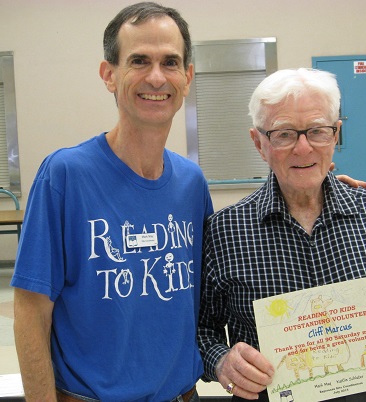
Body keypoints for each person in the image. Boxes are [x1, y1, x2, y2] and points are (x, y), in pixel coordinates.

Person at [198, 68, 366, 401]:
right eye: (284, 134)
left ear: (335, 134)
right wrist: (221, 362)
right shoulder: (225, 230)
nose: (303, 148)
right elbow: (202, 330)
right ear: (259, 142)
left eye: (317, 131)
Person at [11, 3, 214, 401]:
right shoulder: (65, 175)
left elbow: (224, 275)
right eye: (139, 60)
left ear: (187, 77)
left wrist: (318, 191)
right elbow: (31, 312)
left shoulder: (192, 183)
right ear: (109, 74)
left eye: (170, 62)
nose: (156, 77)